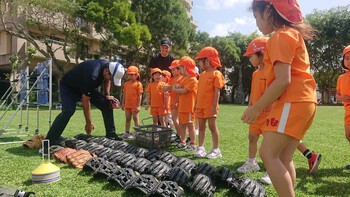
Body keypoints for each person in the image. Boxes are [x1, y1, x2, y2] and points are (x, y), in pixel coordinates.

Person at [241, 0, 317, 196]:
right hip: (304, 101)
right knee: (283, 157)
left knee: (267, 153)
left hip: (293, 100)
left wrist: (256, 107)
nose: (256, 22)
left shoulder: (279, 37)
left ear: (268, 11)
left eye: (256, 16)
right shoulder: (292, 34)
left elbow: (283, 80)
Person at [46, 60, 125, 145]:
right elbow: (85, 101)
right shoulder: (93, 75)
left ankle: (111, 135)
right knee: (68, 111)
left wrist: (107, 95)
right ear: (106, 71)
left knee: (107, 105)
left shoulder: (108, 67)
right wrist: (88, 123)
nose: (111, 80)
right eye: (111, 77)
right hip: (69, 87)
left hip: (84, 85)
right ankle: (51, 139)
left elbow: (107, 80)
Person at [194, 47, 226, 159]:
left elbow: (217, 92)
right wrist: (196, 104)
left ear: (207, 60)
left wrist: (214, 106)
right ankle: (201, 148)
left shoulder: (216, 74)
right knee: (201, 127)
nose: (199, 63)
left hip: (210, 106)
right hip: (200, 106)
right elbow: (199, 91)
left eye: (200, 60)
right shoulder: (202, 75)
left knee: (212, 127)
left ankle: (216, 149)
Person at [172, 56, 198, 151]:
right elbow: (178, 85)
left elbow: (184, 91)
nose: (180, 70)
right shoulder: (184, 79)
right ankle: (183, 141)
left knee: (190, 125)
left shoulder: (193, 79)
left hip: (189, 107)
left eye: (181, 68)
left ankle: (193, 143)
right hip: (182, 107)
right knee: (182, 124)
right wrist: (176, 87)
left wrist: (175, 89)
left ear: (186, 68)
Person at [336, 44, 350, 169]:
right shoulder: (341, 78)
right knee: (348, 135)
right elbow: (337, 95)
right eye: (347, 58)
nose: (349, 61)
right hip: (348, 111)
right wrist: (343, 98)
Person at [121, 66, 143, 139]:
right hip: (127, 105)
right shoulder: (126, 84)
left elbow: (140, 95)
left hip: (134, 105)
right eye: (129, 74)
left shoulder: (138, 84)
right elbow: (124, 94)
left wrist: (138, 105)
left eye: (132, 74)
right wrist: (123, 103)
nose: (130, 76)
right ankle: (126, 132)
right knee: (127, 119)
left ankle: (137, 132)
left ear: (136, 75)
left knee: (135, 118)